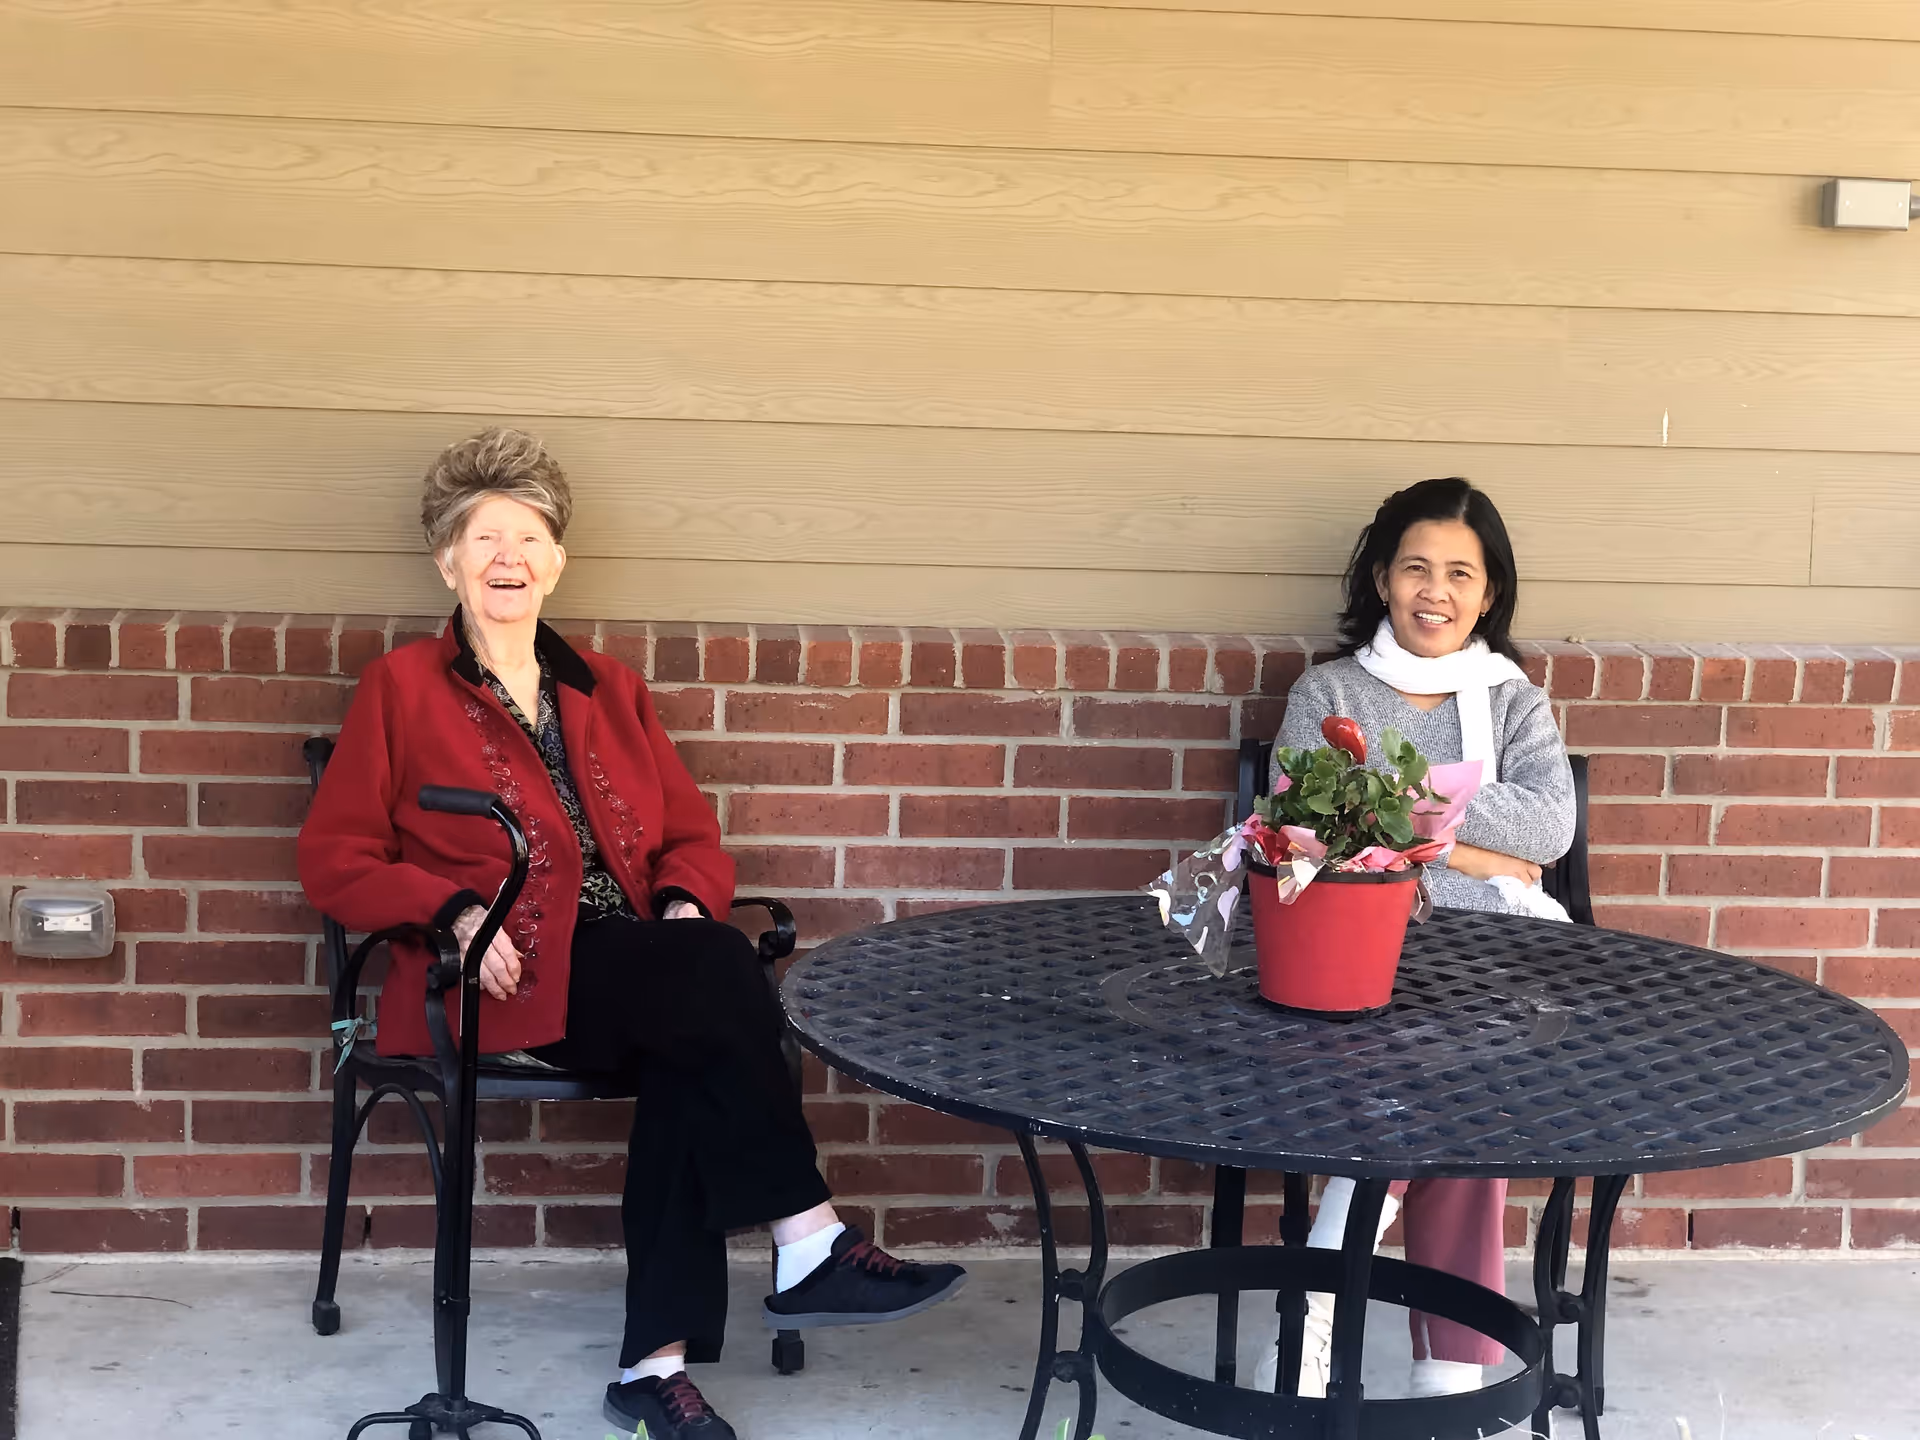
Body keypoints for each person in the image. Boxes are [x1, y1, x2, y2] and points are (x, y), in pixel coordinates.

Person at [298, 428, 965, 1440]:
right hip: (498, 981)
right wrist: (453, 909)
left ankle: (655, 1370)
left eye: (527, 537)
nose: (506, 558)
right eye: (483, 539)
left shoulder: (610, 689)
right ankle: (806, 1239)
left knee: (694, 1019)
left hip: (643, 970)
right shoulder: (402, 687)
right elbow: (334, 856)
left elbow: (691, 835)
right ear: (449, 563)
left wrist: (690, 900)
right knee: (710, 995)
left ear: (557, 560)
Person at [1258, 476, 1575, 1399]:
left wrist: (1394, 806)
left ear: (1489, 595)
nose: (1435, 591)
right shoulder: (1328, 690)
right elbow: (1306, 833)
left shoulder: (1511, 699)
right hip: (1352, 963)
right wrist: (1475, 854)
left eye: (1460, 575)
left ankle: (1317, 1293)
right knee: (1448, 1103)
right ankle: (1452, 1382)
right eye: (1416, 568)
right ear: (1384, 579)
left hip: (1490, 966)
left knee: (1452, 1089)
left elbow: (1551, 829)